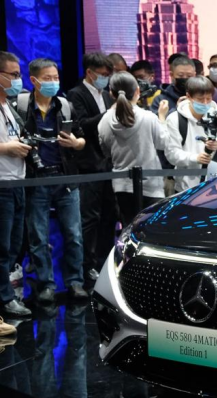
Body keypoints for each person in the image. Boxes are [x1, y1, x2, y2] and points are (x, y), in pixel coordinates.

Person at [19, 58, 88, 302]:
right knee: (38, 236)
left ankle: (75, 282)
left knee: (74, 235)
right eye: (47, 78)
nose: (53, 82)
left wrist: (75, 143)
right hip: (35, 179)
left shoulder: (65, 105)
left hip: (65, 177)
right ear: (34, 80)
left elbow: (82, 139)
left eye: (56, 78)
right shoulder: (21, 106)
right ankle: (45, 284)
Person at [67, 52, 117, 286]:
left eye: (108, 75)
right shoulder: (75, 94)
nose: (105, 79)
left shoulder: (106, 95)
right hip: (87, 165)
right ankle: (87, 266)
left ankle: (105, 261)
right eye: (103, 74)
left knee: (109, 216)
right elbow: (81, 126)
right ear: (89, 72)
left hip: (108, 164)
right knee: (89, 219)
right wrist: (108, 114)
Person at [98, 72, 170, 225]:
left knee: (129, 229)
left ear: (111, 93)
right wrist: (162, 118)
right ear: (137, 90)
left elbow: (105, 150)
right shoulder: (148, 117)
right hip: (151, 184)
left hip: (121, 186)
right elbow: (163, 143)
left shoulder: (105, 119)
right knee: (152, 229)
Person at [0, 51, 31, 317]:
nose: (17, 80)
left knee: (14, 245)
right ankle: (5, 299)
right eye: (13, 75)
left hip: (17, 182)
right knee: (2, 247)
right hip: (1, 185)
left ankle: (5, 294)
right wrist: (5, 148)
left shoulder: (8, 107)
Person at [164, 76, 217, 193]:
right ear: (189, 96)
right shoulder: (175, 119)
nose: (205, 103)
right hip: (184, 188)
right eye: (200, 99)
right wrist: (195, 158)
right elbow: (172, 154)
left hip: (214, 186)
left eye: (208, 98)